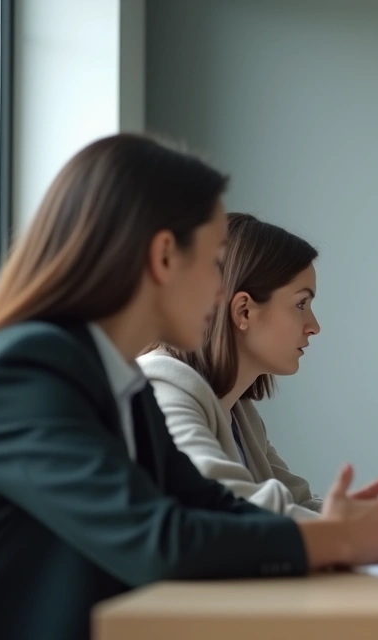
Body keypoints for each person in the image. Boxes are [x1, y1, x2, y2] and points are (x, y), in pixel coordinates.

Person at [0, 133, 378, 640]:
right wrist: (336, 541)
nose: (220, 292)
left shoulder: (121, 381)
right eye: (214, 264)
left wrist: (332, 532)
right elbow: (157, 538)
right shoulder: (27, 367)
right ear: (164, 256)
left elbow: (208, 504)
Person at [139, 213, 324, 519]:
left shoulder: (241, 412)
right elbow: (221, 498)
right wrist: (347, 533)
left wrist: (377, 525)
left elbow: (297, 503)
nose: (314, 326)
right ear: (244, 310)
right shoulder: (162, 385)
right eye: (301, 304)